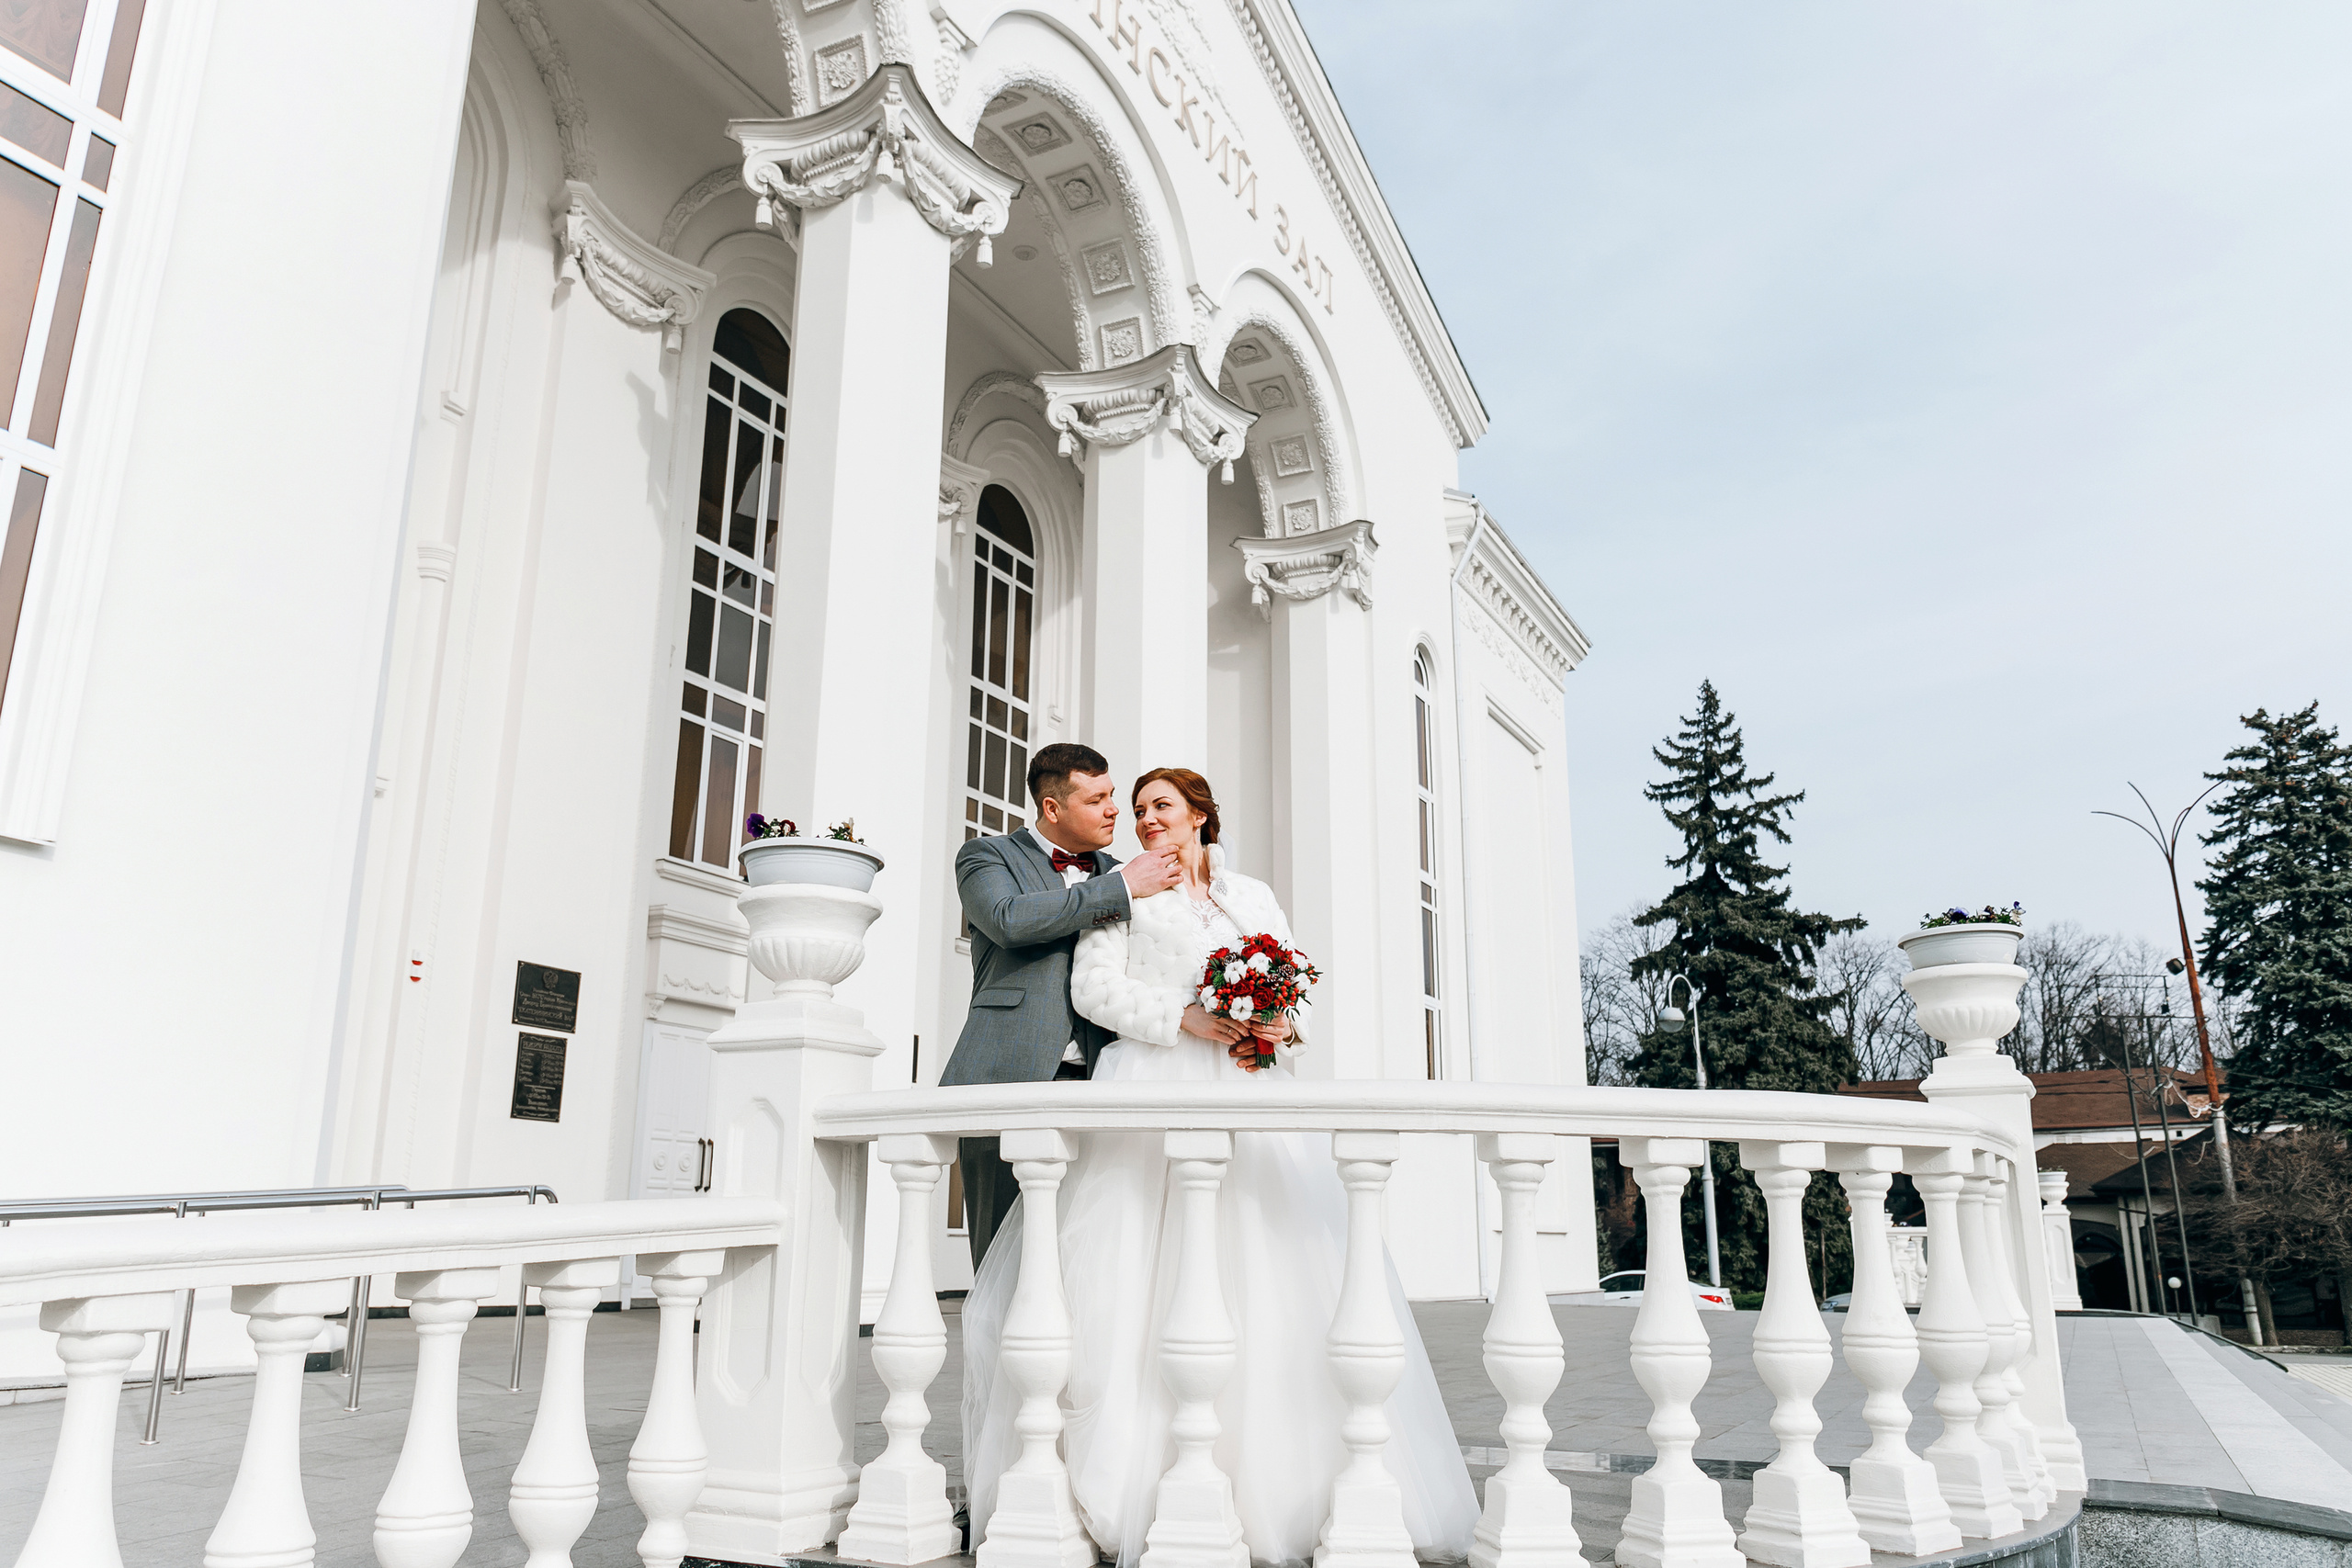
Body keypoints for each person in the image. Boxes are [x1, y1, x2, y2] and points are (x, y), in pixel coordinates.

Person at [960, 767, 1478, 1568]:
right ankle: (1132, 1486)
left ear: (1200, 814)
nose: (1145, 820)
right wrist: (1187, 1019)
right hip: (1151, 1083)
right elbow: (1094, 990)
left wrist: (1269, 1023)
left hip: (1248, 1089)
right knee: (1132, 1280)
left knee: (1276, 1278)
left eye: (1161, 806)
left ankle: (1284, 1490)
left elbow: (1294, 977)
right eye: (1135, 811)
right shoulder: (1120, 894)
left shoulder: (1254, 893)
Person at [938, 741, 1182, 1269]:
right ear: (1053, 808)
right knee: (1000, 1257)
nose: (1115, 809)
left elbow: (1172, 953)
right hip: (1007, 1074)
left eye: (1114, 795)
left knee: (1087, 1260)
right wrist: (1118, 888)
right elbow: (1008, 920)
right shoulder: (987, 856)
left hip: (1104, 1081)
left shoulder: (1124, 871)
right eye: (1097, 799)